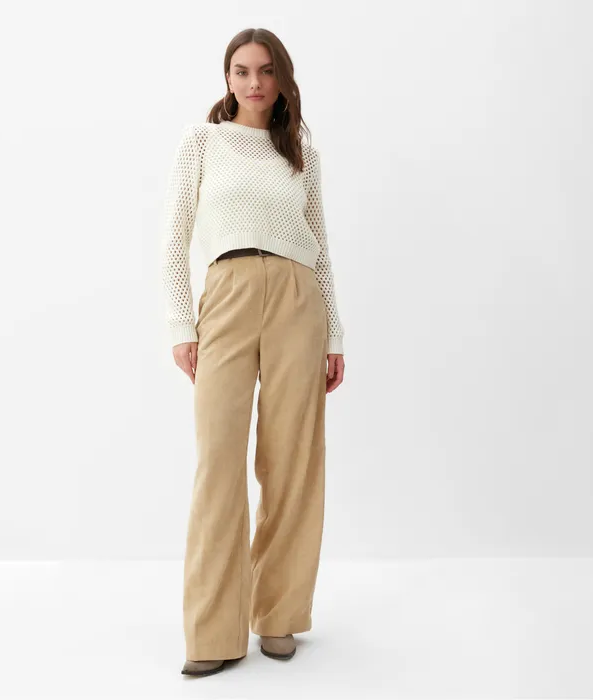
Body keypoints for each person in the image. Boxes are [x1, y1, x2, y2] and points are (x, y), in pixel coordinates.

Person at [159, 27, 346, 677]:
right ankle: (212, 630)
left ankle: (279, 613)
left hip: (298, 299)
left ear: (282, 78)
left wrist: (334, 335)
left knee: (291, 461)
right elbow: (174, 238)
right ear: (227, 78)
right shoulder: (202, 141)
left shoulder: (301, 152)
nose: (254, 82)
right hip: (228, 293)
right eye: (241, 71)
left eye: (266, 71)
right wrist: (182, 325)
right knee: (218, 461)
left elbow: (320, 248)